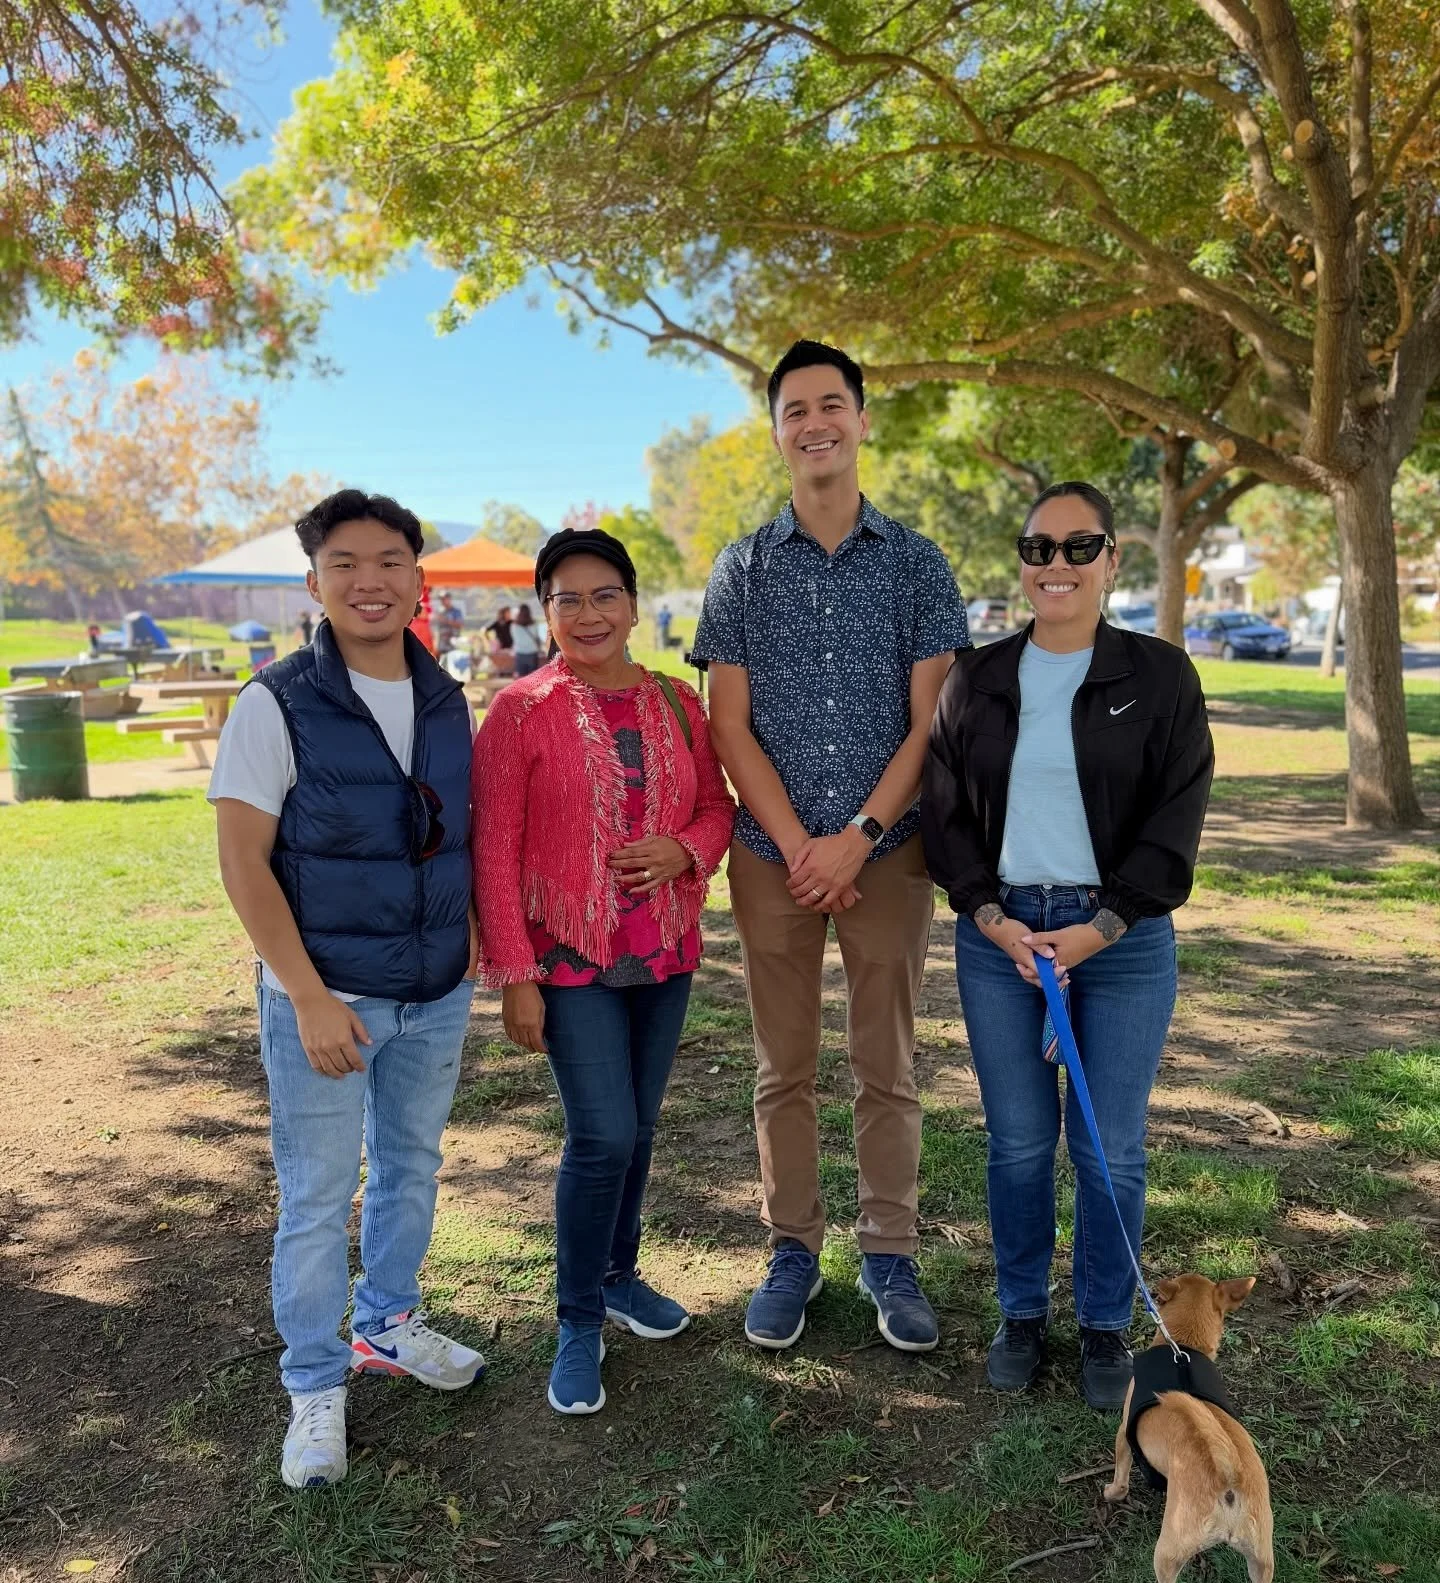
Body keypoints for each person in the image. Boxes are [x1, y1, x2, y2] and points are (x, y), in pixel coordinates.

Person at [692, 339, 970, 1356]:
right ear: (776, 433)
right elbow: (730, 723)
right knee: (784, 1064)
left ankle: (890, 1250)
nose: (814, 423)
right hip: (769, 856)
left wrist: (851, 840)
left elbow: (931, 721)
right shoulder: (742, 567)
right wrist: (797, 842)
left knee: (885, 1061)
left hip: (888, 851)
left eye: (831, 405)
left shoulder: (915, 561)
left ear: (860, 419)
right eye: (794, 410)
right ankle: (792, 1248)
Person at [209, 488, 483, 1491]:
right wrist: (308, 995)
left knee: (413, 1165)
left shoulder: (448, 698)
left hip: (435, 989)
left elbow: (457, 836)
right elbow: (244, 863)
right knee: (319, 1198)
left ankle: (389, 1324)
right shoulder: (273, 702)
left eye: (390, 562)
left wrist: (470, 953)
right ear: (313, 581)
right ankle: (316, 1381)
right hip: (326, 997)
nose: (370, 581)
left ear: (420, 578)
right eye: (346, 564)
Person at [921, 481, 1214, 1410]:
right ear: (1021, 561)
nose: (1057, 565)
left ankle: (1099, 1323)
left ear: (1113, 560)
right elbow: (946, 808)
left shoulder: (1161, 676)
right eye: (1039, 548)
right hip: (1002, 936)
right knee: (1016, 1144)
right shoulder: (978, 676)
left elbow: (1178, 814)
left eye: (1079, 547)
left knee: (1109, 1150)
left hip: (1120, 940)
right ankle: (1020, 1315)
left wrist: (1104, 926)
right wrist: (988, 914)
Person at [473, 527, 735, 1416]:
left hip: (662, 948)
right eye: (566, 599)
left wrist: (684, 851)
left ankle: (620, 1279)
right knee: (603, 1137)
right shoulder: (520, 710)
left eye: (604, 595)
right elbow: (493, 849)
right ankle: (578, 1319)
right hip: (567, 956)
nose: (587, 614)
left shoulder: (674, 700)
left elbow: (715, 806)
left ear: (632, 601)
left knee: (641, 1128)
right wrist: (513, 972)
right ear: (544, 612)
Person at [510, 601, 543, 676]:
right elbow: (537, 637)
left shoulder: (514, 626)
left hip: (520, 654)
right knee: (533, 678)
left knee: (521, 679)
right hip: (532, 653)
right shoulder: (534, 624)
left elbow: (514, 639)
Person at [434, 591, 464, 656]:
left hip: (453, 643)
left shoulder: (456, 611)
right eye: (441, 599)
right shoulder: (440, 612)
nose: (442, 601)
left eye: (444, 599)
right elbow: (437, 629)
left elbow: (460, 624)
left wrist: (446, 620)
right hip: (442, 644)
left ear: (449, 599)